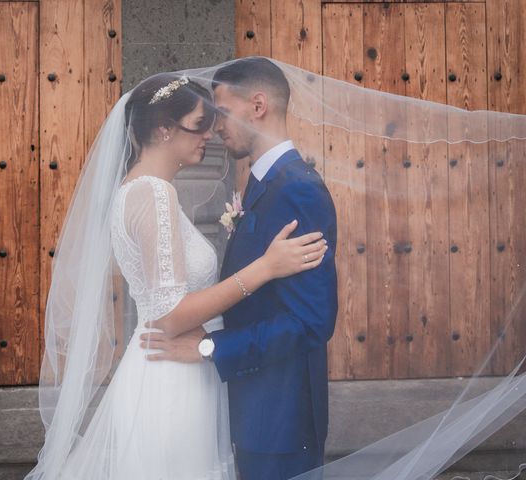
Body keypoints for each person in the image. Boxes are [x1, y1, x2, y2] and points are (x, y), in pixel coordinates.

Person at [26, 72, 327, 480]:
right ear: (165, 129)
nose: (211, 134)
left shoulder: (135, 189)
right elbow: (169, 314)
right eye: (199, 125)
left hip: (166, 366)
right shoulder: (154, 194)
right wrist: (266, 267)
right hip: (174, 375)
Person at [144, 57, 338, 480]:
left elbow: (311, 322)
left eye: (223, 113)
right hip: (253, 412)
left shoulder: (299, 189)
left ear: (258, 105)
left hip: (282, 421)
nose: (214, 129)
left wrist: (210, 348)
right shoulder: (262, 182)